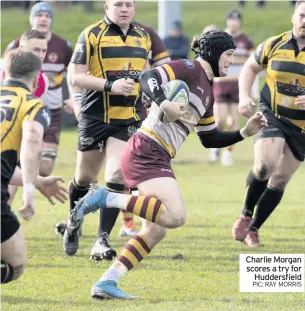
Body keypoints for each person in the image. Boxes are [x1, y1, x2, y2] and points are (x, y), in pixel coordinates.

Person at [66, 30, 267, 299]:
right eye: (229, 55)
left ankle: (107, 281)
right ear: (215, 52)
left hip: (157, 154)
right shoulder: (190, 67)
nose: (231, 61)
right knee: (175, 216)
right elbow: (149, 77)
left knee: (155, 230)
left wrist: (244, 132)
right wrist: (164, 102)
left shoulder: (208, 91)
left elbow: (209, 139)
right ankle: (105, 196)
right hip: (146, 148)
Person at [62, 0, 152, 260]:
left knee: (117, 174)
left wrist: (148, 92)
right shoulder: (91, 34)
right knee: (83, 178)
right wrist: (110, 85)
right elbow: (76, 77)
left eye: (129, 4)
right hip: (95, 116)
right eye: (118, 5)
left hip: (127, 118)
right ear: (106, 7)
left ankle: (102, 239)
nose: (124, 9)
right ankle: (73, 221)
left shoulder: (143, 36)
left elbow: (144, 72)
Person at [232, 0, 305, 247]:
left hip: (302, 127)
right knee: (265, 165)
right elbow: (249, 68)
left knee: (280, 179)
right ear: (293, 17)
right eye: (302, 16)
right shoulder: (274, 44)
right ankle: (245, 213)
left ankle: (253, 229)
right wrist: (244, 95)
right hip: (272, 114)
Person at [1, 49, 67, 284]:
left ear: (4, 72)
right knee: (15, 265)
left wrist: (37, 181)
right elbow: (31, 136)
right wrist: (29, 192)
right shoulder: (32, 104)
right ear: (38, 77)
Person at [5, 2, 73, 177]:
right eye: (39, 15)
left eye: (47, 16)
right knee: (17, 161)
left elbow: (74, 72)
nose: (43, 19)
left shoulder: (63, 46)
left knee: (44, 168)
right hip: (17, 112)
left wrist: (73, 97)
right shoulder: (14, 47)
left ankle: (29, 183)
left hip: (51, 110)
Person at [5, 30, 49, 206]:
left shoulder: (41, 81)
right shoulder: (5, 69)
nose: (40, 55)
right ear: (21, 48)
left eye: (43, 51)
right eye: (35, 50)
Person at [210, 10, 256, 166]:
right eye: (231, 20)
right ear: (227, 22)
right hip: (221, 85)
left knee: (234, 122)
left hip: (238, 86)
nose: (233, 23)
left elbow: (252, 66)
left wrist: (251, 90)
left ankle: (227, 153)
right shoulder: (219, 38)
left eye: (236, 20)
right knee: (220, 120)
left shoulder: (246, 41)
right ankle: (216, 145)